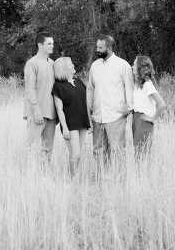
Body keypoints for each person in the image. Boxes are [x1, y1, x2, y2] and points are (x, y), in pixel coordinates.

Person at [86, 34, 134, 165]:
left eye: (100, 48)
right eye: (97, 47)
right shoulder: (95, 66)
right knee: (97, 151)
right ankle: (101, 181)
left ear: (110, 48)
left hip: (115, 116)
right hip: (97, 116)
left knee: (117, 151)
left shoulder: (123, 65)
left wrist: (127, 110)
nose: (97, 50)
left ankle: (117, 182)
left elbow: (130, 89)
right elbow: (90, 89)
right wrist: (89, 111)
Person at [51, 57, 92, 176]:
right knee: (75, 154)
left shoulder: (78, 81)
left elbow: (86, 102)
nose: (73, 65)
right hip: (70, 123)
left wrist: (89, 121)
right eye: (70, 64)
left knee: (79, 154)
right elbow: (59, 109)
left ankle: (75, 176)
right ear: (63, 68)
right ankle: (72, 178)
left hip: (83, 121)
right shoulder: (58, 86)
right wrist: (65, 128)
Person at [23, 32, 58, 162]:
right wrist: (36, 111)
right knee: (32, 146)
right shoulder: (32, 64)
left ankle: (45, 176)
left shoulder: (53, 64)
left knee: (48, 148)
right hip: (37, 112)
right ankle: (31, 176)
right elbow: (29, 90)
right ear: (40, 45)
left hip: (51, 113)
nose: (52, 46)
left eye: (52, 44)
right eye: (49, 44)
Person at [131, 55, 166, 157]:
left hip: (143, 120)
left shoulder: (147, 84)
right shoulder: (138, 84)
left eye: (134, 64)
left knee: (141, 154)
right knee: (138, 152)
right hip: (136, 119)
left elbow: (162, 104)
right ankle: (139, 173)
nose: (132, 66)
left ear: (140, 67)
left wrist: (152, 118)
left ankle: (142, 172)